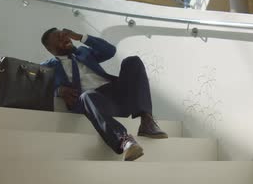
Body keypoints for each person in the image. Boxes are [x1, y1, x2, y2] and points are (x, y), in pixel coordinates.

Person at [40, 28, 167, 161]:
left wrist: (80, 37)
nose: (65, 39)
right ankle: (125, 142)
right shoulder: (49, 67)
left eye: (64, 36)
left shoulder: (83, 52)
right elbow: (42, 87)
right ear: (50, 49)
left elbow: (110, 50)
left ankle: (147, 121)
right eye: (59, 39)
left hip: (116, 93)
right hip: (97, 101)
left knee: (132, 61)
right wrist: (59, 91)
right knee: (87, 96)